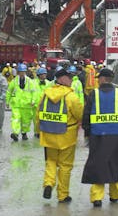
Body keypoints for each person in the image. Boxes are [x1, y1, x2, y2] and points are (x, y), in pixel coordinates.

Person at [81, 68, 118, 208]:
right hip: (116, 136)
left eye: (99, 78)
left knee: (98, 163)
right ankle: (116, 194)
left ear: (104, 79)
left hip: (97, 135)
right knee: (113, 164)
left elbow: (86, 116)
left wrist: (87, 134)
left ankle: (96, 198)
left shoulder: (94, 94)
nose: (98, 80)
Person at [36, 67, 83, 203]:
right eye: (69, 78)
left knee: (50, 161)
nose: (71, 80)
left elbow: (38, 114)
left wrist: (39, 131)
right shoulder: (70, 96)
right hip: (66, 136)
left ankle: (48, 184)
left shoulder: (46, 94)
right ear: (62, 79)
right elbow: (80, 114)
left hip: (48, 134)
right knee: (65, 166)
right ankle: (62, 195)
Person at [6, 63, 34, 141]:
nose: (22, 73)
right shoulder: (14, 81)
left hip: (27, 105)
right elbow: (9, 91)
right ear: (18, 72)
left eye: (23, 72)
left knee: (26, 120)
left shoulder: (30, 81)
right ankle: (15, 133)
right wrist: (7, 102)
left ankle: (24, 133)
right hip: (16, 104)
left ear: (25, 72)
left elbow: (34, 92)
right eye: (20, 72)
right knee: (15, 119)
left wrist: (33, 101)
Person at [32, 67, 52, 137]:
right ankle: (37, 132)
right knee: (36, 119)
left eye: (45, 74)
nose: (44, 76)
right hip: (36, 104)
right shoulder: (33, 83)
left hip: (45, 104)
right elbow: (31, 92)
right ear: (39, 75)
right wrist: (32, 101)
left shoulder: (49, 83)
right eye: (43, 74)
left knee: (45, 119)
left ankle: (43, 131)